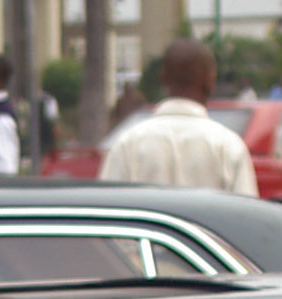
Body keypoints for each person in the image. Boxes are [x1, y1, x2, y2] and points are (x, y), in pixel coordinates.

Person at [98, 39, 255, 195]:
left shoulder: (127, 144)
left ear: (163, 77)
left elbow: (107, 208)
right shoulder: (228, 146)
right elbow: (247, 215)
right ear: (210, 80)